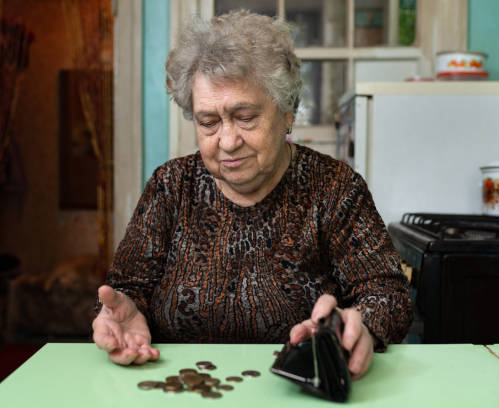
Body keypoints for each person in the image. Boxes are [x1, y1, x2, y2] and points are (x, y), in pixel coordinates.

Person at [92, 10, 412, 380]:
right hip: (179, 387)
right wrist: (122, 315)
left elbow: (388, 293)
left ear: (287, 111)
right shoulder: (170, 185)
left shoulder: (334, 187)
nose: (227, 141)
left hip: (297, 393)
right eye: (208, 122)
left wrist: (360, 325)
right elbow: (125, 290)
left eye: (245, 117)